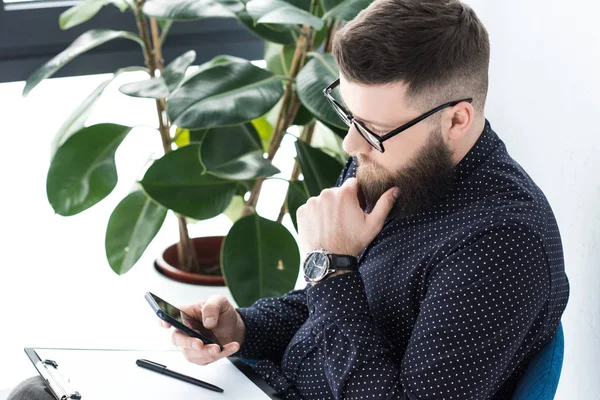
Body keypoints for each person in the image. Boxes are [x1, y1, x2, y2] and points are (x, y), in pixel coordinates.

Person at [8, 0, 569, 399]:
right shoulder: (394, 159)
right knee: (40, 390)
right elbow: (330, 311)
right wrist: (242, 328)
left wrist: (332, 270)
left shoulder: (502, 245)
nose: (350, 145)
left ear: (457, 118)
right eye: (346, 115)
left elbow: (346, 307)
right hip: (266, 382)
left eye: (370, 129)